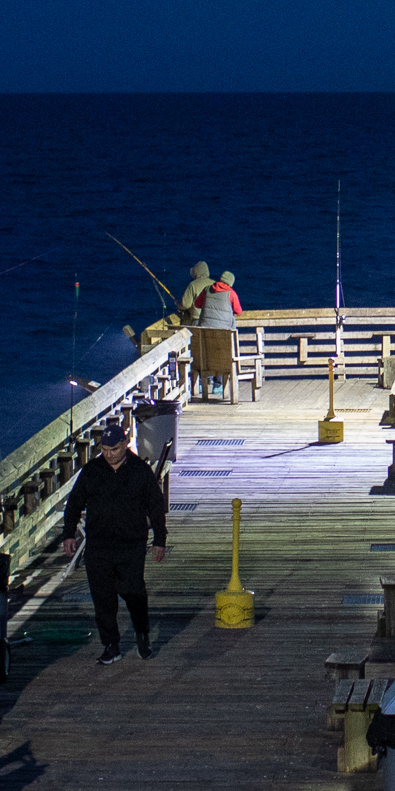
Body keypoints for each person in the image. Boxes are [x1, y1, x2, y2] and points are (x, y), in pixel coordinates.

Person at [62, 423, 168, 661]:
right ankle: (111, 644)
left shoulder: (140, 471)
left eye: (114, 449)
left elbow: (155, 505)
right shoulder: (92, 471)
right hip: (98, 545)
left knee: (133, 590)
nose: (109, 454)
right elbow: (74, 503)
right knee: (102, 597)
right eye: (105, 449)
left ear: (125, 444)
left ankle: (142, 631)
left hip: (131, 543)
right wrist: (68, 534)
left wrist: (159, 539)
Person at [192, 267, 242, 400]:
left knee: (205, 353)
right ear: (230, 283)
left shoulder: (207, 289)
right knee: (221, 353)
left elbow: (197, 304)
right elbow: (238, 311)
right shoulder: (231, 294)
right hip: (222, 334)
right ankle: (218, 385)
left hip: (205, 332)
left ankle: (201, 383)